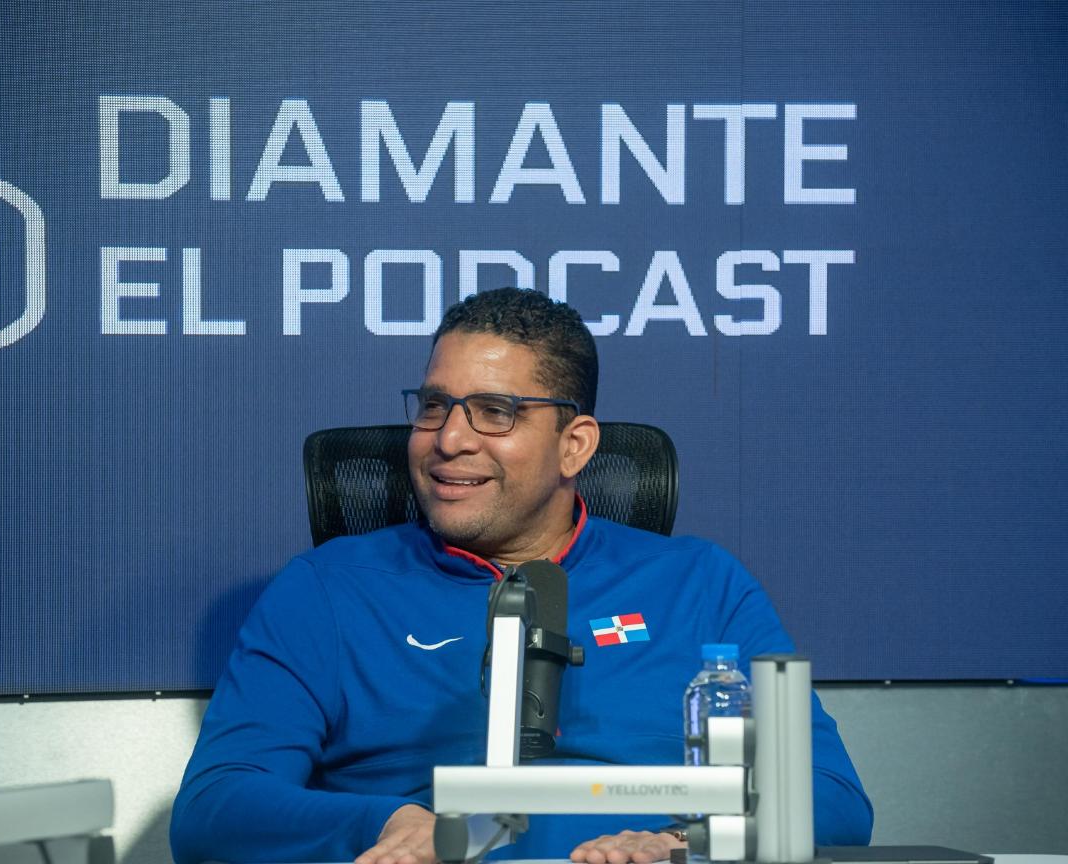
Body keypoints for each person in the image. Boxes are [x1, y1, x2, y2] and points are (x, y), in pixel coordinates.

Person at [170, 288, 873, 864]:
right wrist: (388, 824)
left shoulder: (701, 583)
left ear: (574, 445)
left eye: (495, 412)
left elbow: (832, 800)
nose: (449, 439)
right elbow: (214, 808)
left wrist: (685, 843)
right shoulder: (324, 589)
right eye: (435, 405)